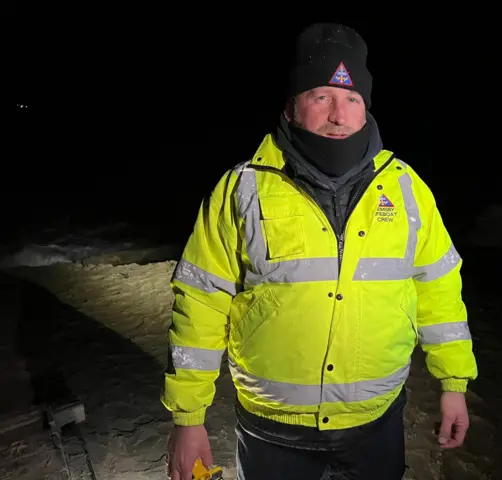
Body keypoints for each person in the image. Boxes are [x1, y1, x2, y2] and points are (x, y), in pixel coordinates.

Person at [162, 22, 478, 480]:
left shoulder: (408, 189)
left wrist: (453, 383)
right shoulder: (241, 189)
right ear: (292, 107)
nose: (338, 115)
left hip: (375, 425)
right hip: (272, 431)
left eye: (352, 99)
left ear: (366, 108)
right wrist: (188, 419)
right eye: (322, 96)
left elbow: (440, 293)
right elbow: (199, 303)